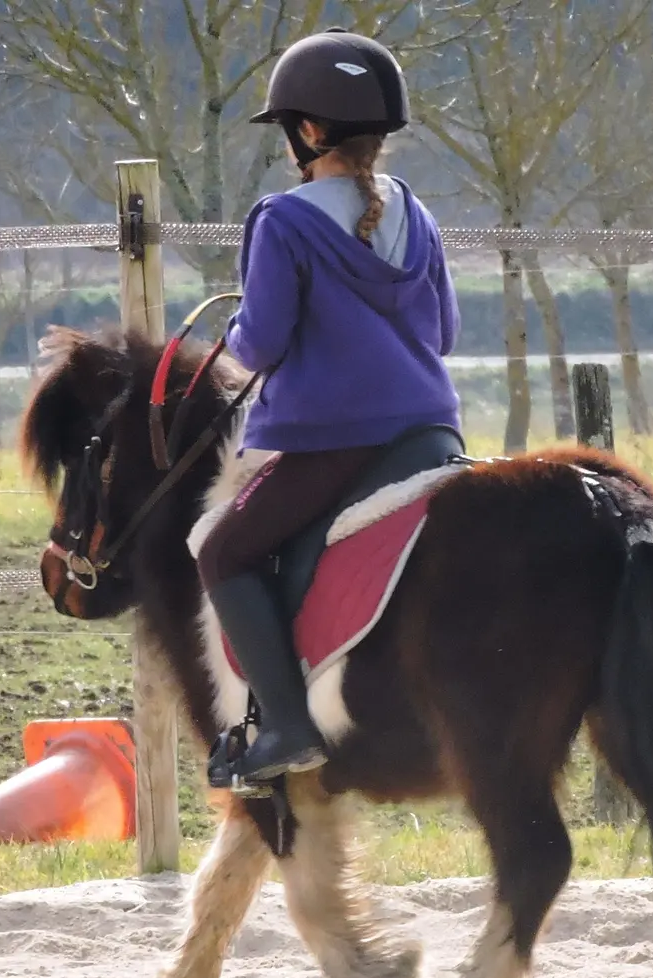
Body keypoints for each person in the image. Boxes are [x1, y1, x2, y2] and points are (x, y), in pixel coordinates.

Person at [196, 28, 461, 788]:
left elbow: (263, 344)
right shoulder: (418, 214)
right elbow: (444, 332)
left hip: (338, 447)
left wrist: (235, 329)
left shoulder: (283, 220)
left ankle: (285, 723)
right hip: (432, 435)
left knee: (225, 551)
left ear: (308, 131)